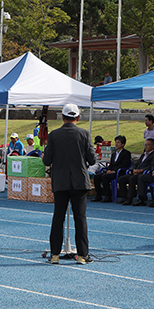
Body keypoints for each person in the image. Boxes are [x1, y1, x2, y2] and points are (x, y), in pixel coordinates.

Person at [43, 104, 97, 265]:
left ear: (62, 116)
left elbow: (47, 160)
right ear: (78, 117)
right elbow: (92, 159)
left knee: (58, 218)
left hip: (60, 181)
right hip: (79, 181)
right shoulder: (84, 134)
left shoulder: (54, 135)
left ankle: (54, 255)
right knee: (80, 218)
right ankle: (82, 255)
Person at [91, 136, 131, 202]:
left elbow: (125, 165)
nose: (116, 144)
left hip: (119, 172)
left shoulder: (126, 153)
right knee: (97, 177)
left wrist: (114, 171)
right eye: (116, 142)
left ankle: (108, 196)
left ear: (123, 144)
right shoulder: (114, 154)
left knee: (105, 177)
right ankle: (98, 195)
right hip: (112, 172)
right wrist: (108, 170)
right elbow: (111, 164)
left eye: (118, 142)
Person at [119, 139, 154, 205]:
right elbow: (137, 163)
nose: (146, 146)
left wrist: (141, 170)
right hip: (137, 172)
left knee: (132, 179)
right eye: (145, 144)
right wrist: (134, 169)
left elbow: (151, 165)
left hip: (144, 173)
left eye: (148, 144)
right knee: (121, 179)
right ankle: (124, 196)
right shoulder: (143, 155)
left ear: (153, 146)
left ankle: (130, 199)